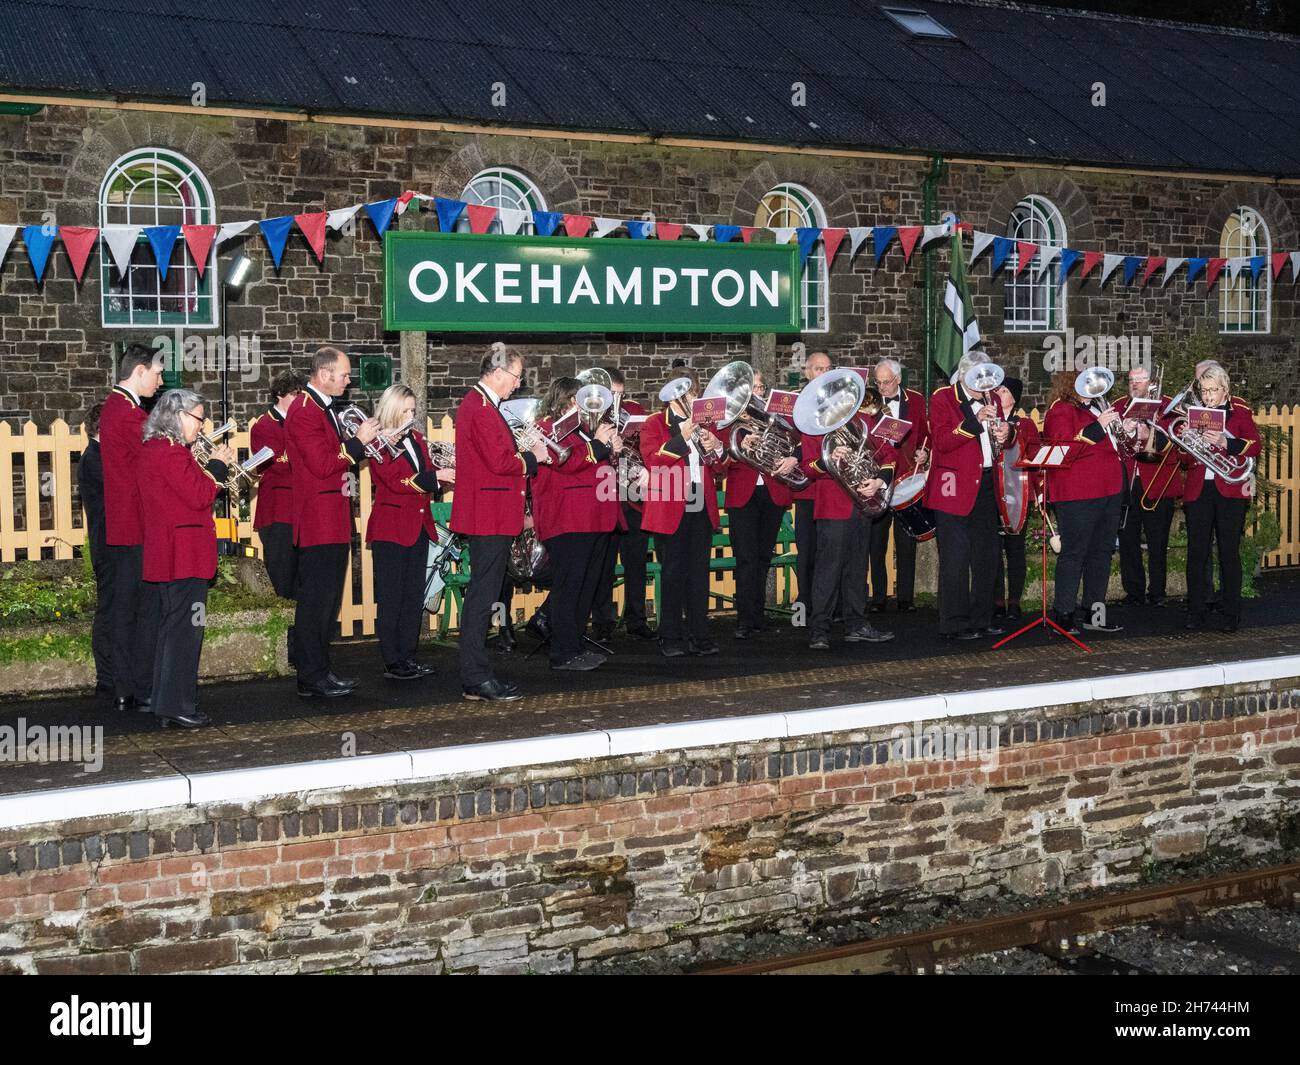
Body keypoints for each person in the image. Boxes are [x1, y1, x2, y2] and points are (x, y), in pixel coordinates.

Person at [452, 342, 548, 700]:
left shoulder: (482, 405)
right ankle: (475, 676)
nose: (517, 384)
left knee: (485, 593)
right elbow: (500, 463)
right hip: (487, 516)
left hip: (490, 514)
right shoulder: (479, 407)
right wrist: (533, 456)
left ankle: (477, 675)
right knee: (482, 596)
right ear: (497, 372)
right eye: (516, 376)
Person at [285, 346, 378, 698]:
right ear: (323, 375)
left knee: (326, 602)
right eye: (343, 374)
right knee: (317, 603)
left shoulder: (319, 408)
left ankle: (319, 670)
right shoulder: (306, 410)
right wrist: (358, 441)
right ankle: (312, 674)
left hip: (330, 518)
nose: (348, 379)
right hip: (318, 521)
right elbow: (324, 464)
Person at [139, 389, 234, 728]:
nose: (203, 425)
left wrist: (202, 465)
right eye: (199, 418)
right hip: (184, 555)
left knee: (172, 629)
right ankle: (178, 704)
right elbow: (199, 495)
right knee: (186, 631)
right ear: (178, 417)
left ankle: (165, 702)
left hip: (171, 553)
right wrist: (218, 467)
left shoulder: (159, 450)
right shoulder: (169, 453)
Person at [366, 383, 454, 680]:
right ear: (391, 410)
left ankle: (408, 654)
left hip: (418, 524)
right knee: (392, 596)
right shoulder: (378, 442)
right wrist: (434, 477)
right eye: (405, 410)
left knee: (413, 594)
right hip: (390, 528)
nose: (410, 415)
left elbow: (427, 473)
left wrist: (444, 473)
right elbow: (395, 480)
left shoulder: (416, 438)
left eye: (413, 410)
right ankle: (393, 660)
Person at [799, 380, 895, 650]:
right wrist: (829, 457)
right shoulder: (814, 426)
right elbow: (808, 468)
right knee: (828, 570)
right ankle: (819, 629)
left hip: (861, 504)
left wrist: (879, 482)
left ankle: (857, 624)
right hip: (832, 506)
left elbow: (888, 454)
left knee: (857, 568)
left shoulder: (862, 421)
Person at [532, 377, 621, 670]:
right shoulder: (547, 428)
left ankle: (576, 645)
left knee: (586, 584)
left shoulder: (584, 431)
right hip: (567, 518)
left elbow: (596, 465)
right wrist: (599, 445)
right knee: (570, 586)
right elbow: (565, 462)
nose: (586, 406)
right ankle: (562, 652)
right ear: (567, 401)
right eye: (578, 399)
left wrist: (613, 449)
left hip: (594, 516)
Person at [923, 351, 1009, 641]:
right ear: (963, 375)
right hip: (952, 485)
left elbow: (1000, 444)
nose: (984, 385)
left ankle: (982, 618)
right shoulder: (942, 398)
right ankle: (954, 622)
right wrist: (974, 421)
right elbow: (943, 442)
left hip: (985, 483)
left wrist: (1004, 434)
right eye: (977, 378)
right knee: (955, 557)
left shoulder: (993, 398)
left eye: (987, 378)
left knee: (988, 556)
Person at [100, 343, 165, 712]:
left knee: (130, 608)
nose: (159, 380)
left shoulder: (121, 407)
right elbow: (153, 456)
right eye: (156, 373)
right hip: (134, 526)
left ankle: (128, 685)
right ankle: (134, 687)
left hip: (129, 524)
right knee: (136, 609)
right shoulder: (126, 412)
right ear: (139, 371)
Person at [641, 371, 725, 657]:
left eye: (694, 393)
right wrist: (681, 436)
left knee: (699, 573)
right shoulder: (655, 423)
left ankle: (700, 634)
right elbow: (652, 460)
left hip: (699, 500)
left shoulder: (707, 423)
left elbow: (721, 468)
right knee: (673, 573)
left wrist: (717, 447)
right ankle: (670, 636)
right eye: (689, 394)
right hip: (670, 503)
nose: (693, 399)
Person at [1043, 370, 1124, 636]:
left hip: (1109, 490)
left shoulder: (1099, 408)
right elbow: (1065, 448)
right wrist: (1099, 425)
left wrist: (1126, 430)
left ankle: (1095, 615)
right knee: (1073, 554)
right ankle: (1063, 615)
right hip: (1077, 493)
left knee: (1101, 554)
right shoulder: (1061, 411)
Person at [1181, 364, 1259, 633]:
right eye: (1204, 391)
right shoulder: (1195, 414)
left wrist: (1227, 443)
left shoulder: (1239, 412)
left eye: (1213, 390)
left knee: (1228, 553)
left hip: (1229, 490)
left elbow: (1255, 444)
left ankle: (1231, 613)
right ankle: (1196, 611)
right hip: (1198, 490)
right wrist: (1187, 441)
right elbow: (1183, 459)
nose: (1208, 396)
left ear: (1225, 390)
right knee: (1197, 553)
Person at [723, 369, 797, 639]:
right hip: (743, 494)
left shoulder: (776, 416)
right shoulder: (728, 419)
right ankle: (745, 620)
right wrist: (743, 442)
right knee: (745, 558)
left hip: (772, 490)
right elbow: (721, 458)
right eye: (751, 387)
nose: (757, 391)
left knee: (763, 556)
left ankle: (759, 616)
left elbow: (792, 443)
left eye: (760, 387)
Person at [591, 368, 654, 640]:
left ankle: (637, 620)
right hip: (604, 496)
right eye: (611, 394)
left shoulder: (635, 409)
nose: (617, 399)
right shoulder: (592, 414)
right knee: (602, 564)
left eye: (620, 393)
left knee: (636, 563)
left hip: (632, 496)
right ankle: (602, 623)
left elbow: (647, 446)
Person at [1114, 365, 1181, 607]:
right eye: (1131, 380)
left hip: (1158, 482)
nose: (1135, 384)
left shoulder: (1167, 405)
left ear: (1151, 382)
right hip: (1129, 482)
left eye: (1140, 380)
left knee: (1157, 540)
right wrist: (1128, 430)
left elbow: (1178, 435)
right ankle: (1134, 591)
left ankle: (1158, 592)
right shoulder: (1120, 406)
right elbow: (1113, 441)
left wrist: (1152, 435)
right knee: (1128, 539)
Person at [868, 358, 930, 613]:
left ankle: (906, 598)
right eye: (878, 382)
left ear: (898, 379)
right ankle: (879, 598)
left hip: (906, 478)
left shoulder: (914, 400)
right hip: (877, 479)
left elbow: (926, 434)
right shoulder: (868, 400)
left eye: (886, 382)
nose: (882, 387)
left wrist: (924, 453)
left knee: (907, 542)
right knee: (876, 542)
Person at [251, 370, 303, 600]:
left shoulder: (303, 422)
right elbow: (275, 464)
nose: (300, 401)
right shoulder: (264, 426)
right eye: (295, 395)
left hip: (302, 511)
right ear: (280, 394)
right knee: (281, 581)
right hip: (278, 513)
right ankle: (284, 635)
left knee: (302, 581)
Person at [991, 378, 1039, 619]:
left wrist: (1038, 493)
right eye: (997, 389)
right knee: (993, 549)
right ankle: (997, 600)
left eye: (1004, 390)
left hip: (1018, 493)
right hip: (992, 492)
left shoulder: (1026, 424)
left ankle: (1014, 601)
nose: (999, 392)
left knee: (1015, 549)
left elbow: (1035, 456)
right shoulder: (988, 421)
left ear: (1014, 398)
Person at [76, 402, 112, 696]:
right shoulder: (94, 459)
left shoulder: (101, 456)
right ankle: (106, 677)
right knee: (109, 610)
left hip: (112, 545)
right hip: (106, 545)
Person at [793, 350, 832, 610]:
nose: (823, 373)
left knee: (832, 551)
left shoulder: (843, 400)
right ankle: (805, 605)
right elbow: (789, 441)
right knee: (807, 551)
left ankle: (832, 606)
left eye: (828, 369)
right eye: (818, 369)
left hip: (834, 488)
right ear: (807, 372)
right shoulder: (795, 402)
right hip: (808, 488)